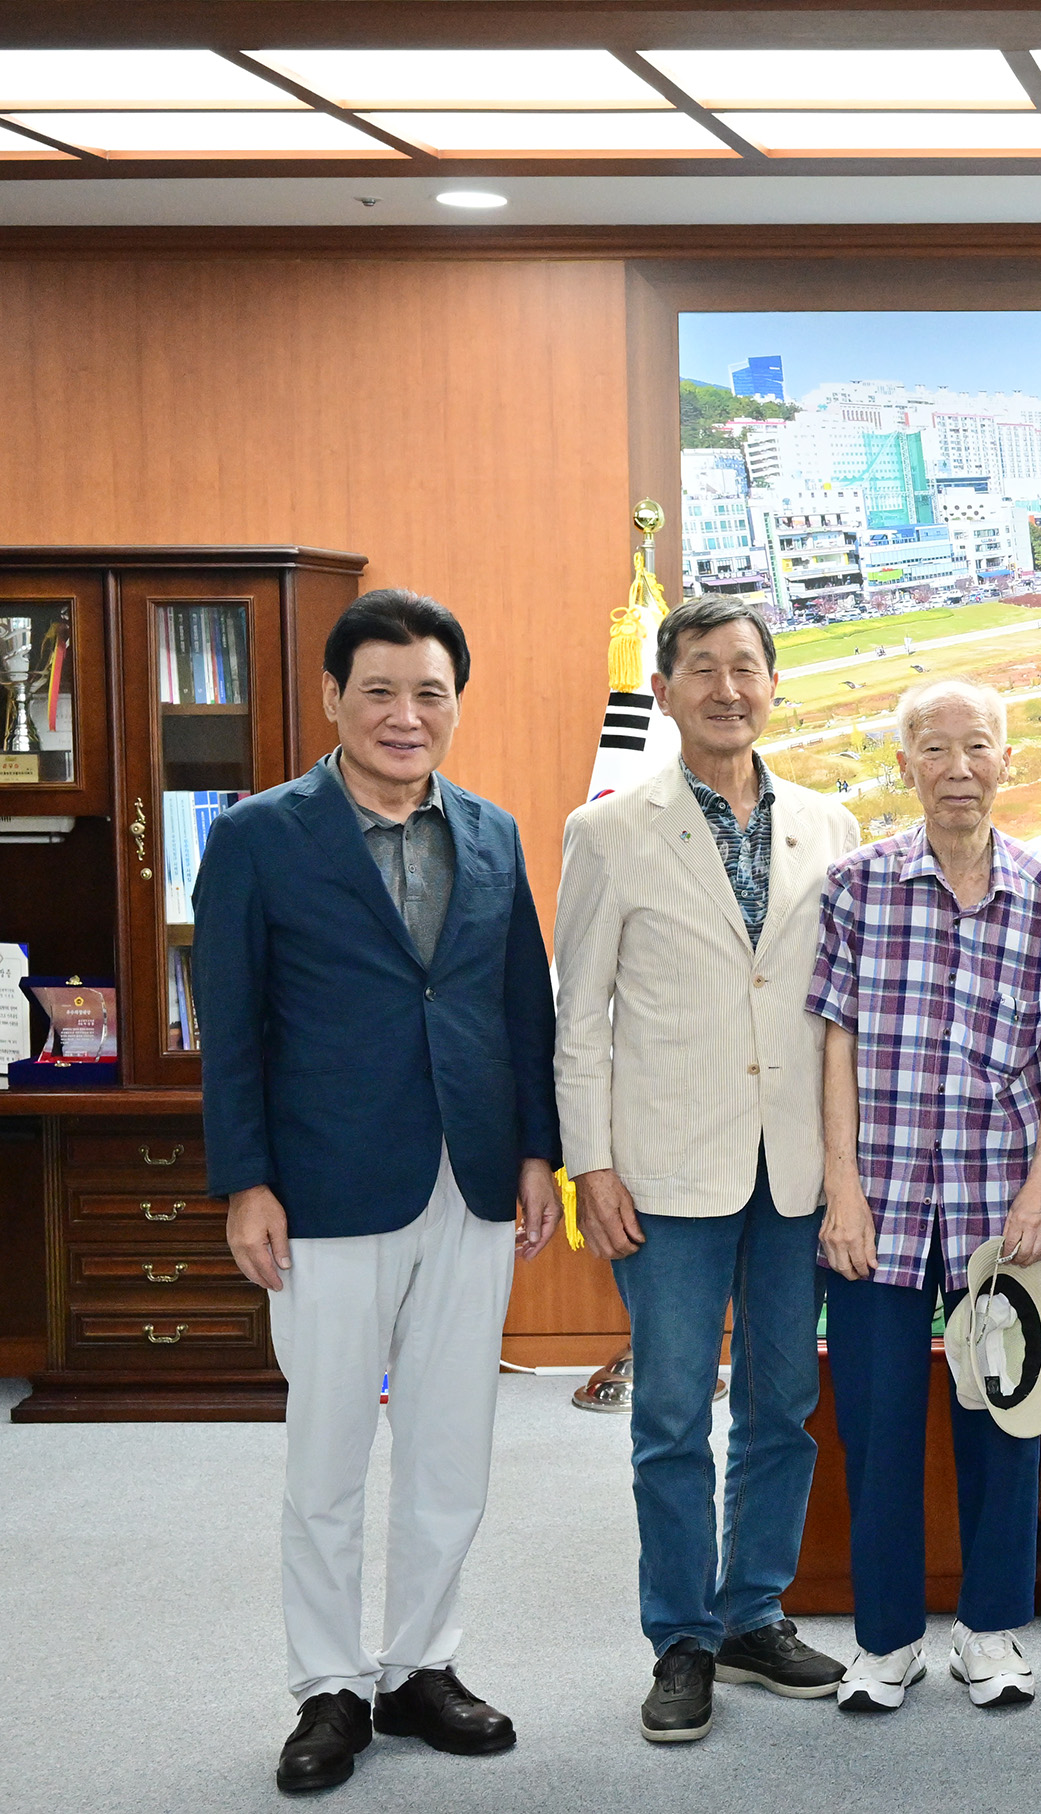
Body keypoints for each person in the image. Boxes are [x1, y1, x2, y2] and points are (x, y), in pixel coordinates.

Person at [196, 590, 561, 1795]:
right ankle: (326, 1686)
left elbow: (522, 1007)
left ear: (457, 700)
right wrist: (245, 1178)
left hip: (471, 1176)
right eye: (381, 692)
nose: (408, 715)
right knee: (329, 1453)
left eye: (431, 693)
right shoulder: (258, 834)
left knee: (454, 1445)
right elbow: (233, 1027)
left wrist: (534, 1153)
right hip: (324, 1185)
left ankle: (420, 1665)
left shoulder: (496, 831)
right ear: (332, 699)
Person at [555, 597, 862, 1741]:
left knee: (782, 1405)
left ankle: (753, 1613)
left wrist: (847, 1159)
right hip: (665, 1172)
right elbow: (577, 1012)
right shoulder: (609, 829)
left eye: (747, 668)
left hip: (794, 1174)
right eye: (701, 670)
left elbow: (841, 1009)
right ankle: (679, 1638)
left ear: (774, 685)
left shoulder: (831, 825)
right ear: (669, 688)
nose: (727, 688)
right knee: (674, 1414)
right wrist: (592, 1162)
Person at [806, 676, 1041, 1714]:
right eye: (934, 748)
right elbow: (833, 1041)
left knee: (1005, 1419)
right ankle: (884, 1640)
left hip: (998, 1202)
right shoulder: (856, 886)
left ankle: (992, 1630)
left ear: (1007, 762)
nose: (957, 767)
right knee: (877, 1422)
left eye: (977, 747)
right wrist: (842, 1186)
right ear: (903, 765)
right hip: (876, 1200)